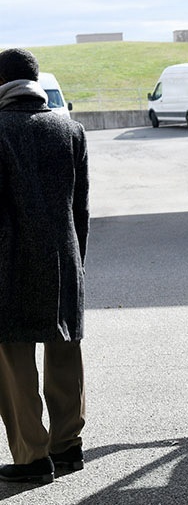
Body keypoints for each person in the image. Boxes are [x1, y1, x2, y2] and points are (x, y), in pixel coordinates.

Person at [0, 48, 89, 484]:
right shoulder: (70, 129)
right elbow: (81, 209)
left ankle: (32, 457)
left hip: (10, 262)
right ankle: (68, 446)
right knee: (64, 349)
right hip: (63, 259)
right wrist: (78, 263)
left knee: (13, 359)